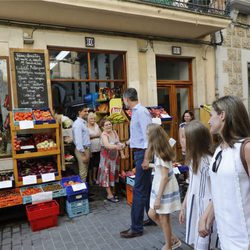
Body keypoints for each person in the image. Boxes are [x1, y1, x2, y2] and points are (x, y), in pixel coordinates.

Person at [198, 95, 250, 250]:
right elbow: (221, 189)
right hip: (225, 234)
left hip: (244, 238)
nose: (208, 121)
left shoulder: (246, 148)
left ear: (222, 115)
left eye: (211, 115)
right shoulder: (219, 149)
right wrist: (207, 214)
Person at [178, 120, 217, 249]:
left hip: (206, 208)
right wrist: (183, 205)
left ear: (194, 141)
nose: (181, 140)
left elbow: (217, 192)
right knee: (197, 243)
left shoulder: (208, 162)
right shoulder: (193, 159)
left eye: (184, 137)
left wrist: (207, 216)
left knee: (203, 243)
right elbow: (192, 184)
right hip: (194, 205)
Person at [120, 87, 153, 238]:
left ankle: (136, 228)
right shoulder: (136, 112)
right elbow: (138, 136)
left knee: (139, 191)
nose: (123, 102)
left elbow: (149, 137)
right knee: (145, 189)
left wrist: (146, 158)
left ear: (127, 99)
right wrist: (125, 144)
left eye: (123, 99)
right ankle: (152, 218)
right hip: (139, 152)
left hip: (142, 154)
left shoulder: (141, 112)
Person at [146, 123, 181, 250]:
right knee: (152, 214)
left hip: (164, 188)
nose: (146, 136)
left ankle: (169, 245)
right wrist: (150, 166)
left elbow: (165, 176)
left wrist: (158, 198)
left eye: (147, 134)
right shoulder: (161, 150)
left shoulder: (160, 153)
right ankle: (173, 239)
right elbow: (163, 169)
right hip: (161, 186)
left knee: (163, 218)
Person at [97, 119, 125, 203]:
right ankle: (109, 195)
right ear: (102, 127)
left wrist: (122, 152)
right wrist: (117, 147)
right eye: (106, 125)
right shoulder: (104, 135)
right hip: (106, 160)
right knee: (106, 176)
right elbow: (107, 145)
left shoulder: (115, 132)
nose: (109, 126)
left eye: (110, 124)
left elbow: (118, 142)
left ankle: (113, 191)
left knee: (113, 174)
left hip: (114, 158)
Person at [72, 104, 90, 182]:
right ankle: (83, 191)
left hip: (85, 149)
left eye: (87, 111)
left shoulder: (83, 123)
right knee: (83, 172)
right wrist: (83, 154)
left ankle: (85, 189)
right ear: (79, 112)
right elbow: (78, 141)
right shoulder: (78, 124)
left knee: (85, 171)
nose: (87, 113)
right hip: (82, 150)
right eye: (85, 111)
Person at [87, 112, 101, 185]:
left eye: (94, 118)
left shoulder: (96, 125)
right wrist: (96, 136)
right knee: (90, 164)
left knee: (96, 164)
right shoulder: (86, 126)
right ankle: (89, 179)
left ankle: (94, 177)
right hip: (90, 148)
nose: (93, 120)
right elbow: (86, 137)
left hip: (98, 148)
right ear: (88, 119)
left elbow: (100, 134)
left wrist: (93, 136)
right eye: (91, 118)